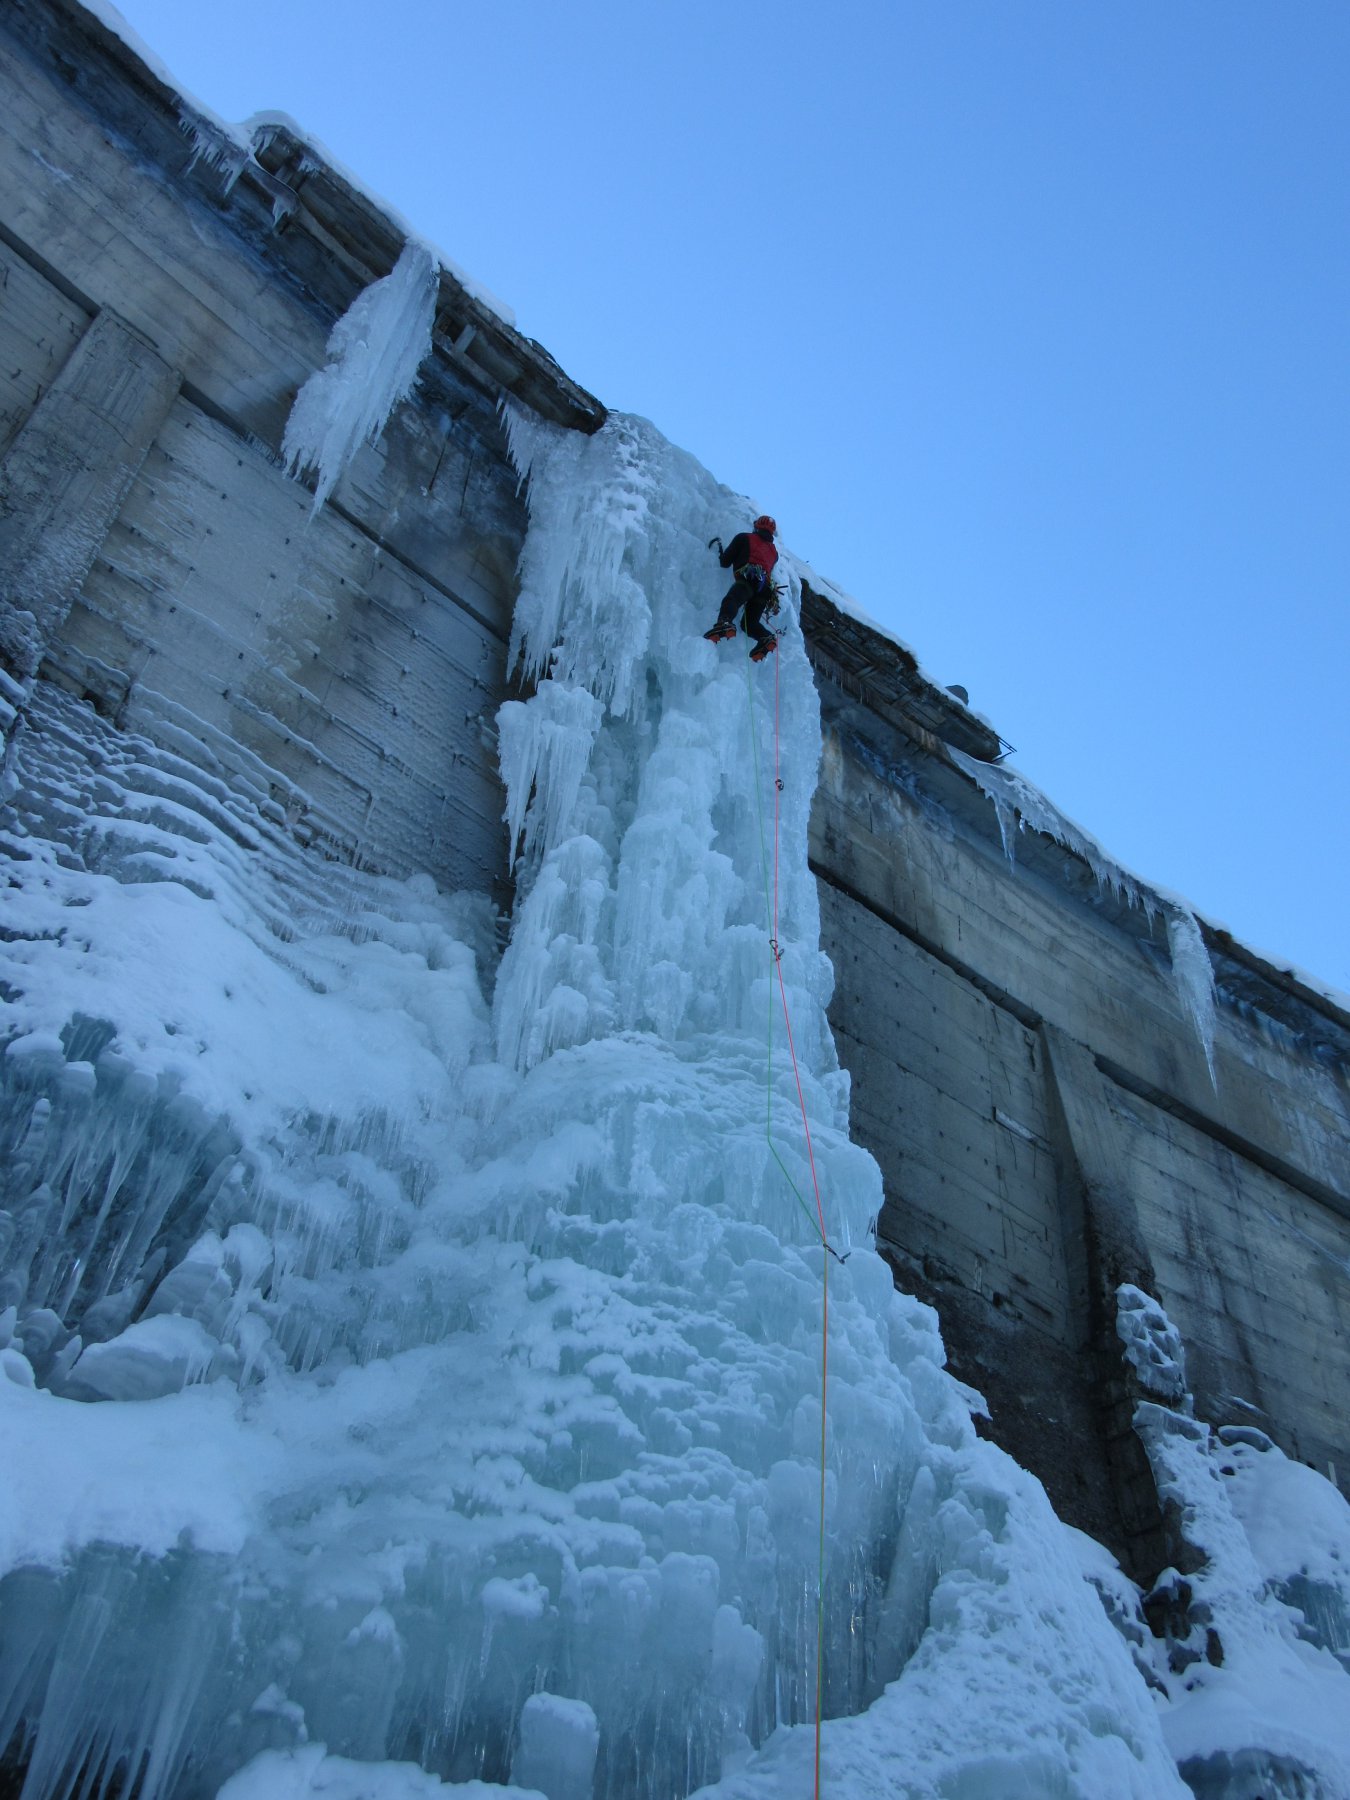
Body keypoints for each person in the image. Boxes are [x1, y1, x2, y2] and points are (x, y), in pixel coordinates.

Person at [703, 515, 780, 661]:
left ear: (756, 527)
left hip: (748, 578)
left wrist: (721, 553)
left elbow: (725, 562)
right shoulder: (774, 553)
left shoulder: (744, 538)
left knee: (732, 599)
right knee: (749, 624)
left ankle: (725, 623)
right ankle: (765, 637)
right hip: (765, 590)